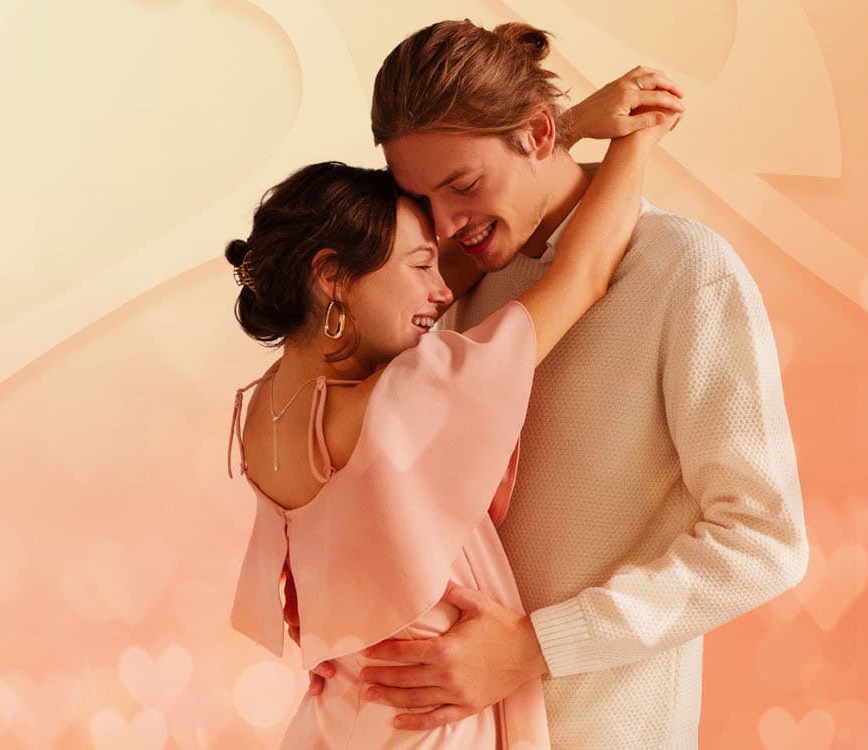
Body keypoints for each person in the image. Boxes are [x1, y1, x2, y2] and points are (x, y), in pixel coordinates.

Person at [294, 19, 810, 748]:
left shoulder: (686, 272)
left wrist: (537, 645)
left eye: (463, 185)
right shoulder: (455, 286)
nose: (444, 225)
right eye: (423, 200)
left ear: (535, 134)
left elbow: (764, 540)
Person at [225, 49, 677, 746]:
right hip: (431, 715)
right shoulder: (401, 401)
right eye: (421, 264)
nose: (443, 289)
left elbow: (430, 263)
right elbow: (583, 272)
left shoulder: (259, 413)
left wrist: (559, 129)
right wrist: (638, 133)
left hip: (342, 715)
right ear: (332, 279)